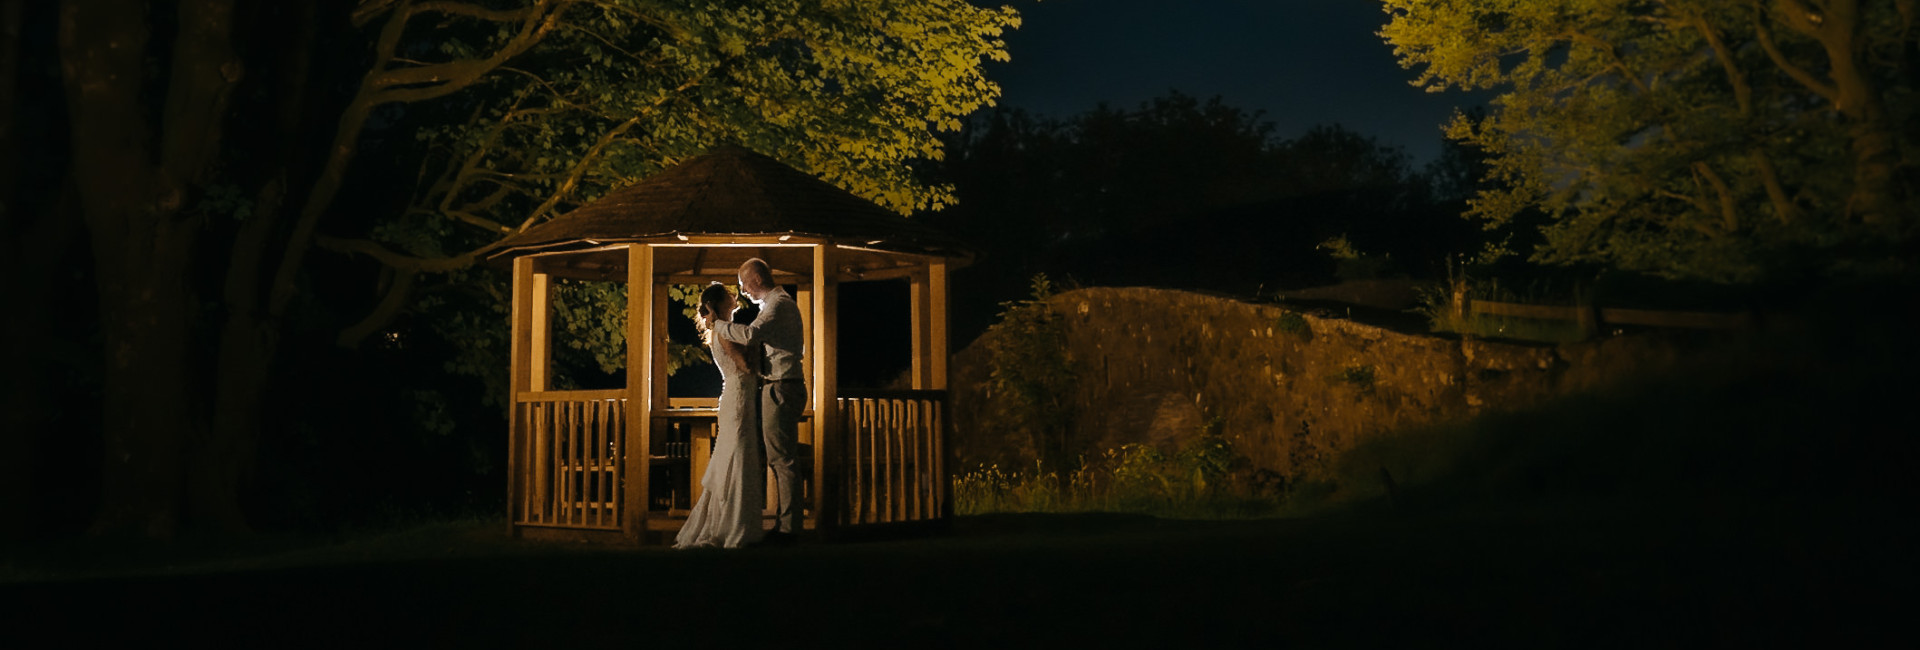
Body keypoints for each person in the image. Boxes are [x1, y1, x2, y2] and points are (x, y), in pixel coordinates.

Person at [709, 258, 807, 545]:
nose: (742, 291)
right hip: (777, 385)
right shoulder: (774, 305)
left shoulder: (779, 305)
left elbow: (751, 335)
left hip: (781, 386)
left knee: (782, 459)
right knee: (779, 458)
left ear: (755, 280)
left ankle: (790, 529)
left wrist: (719, 325)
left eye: (742, 283)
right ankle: (787, 524)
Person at [674, 283, 767, 549]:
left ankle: (736, 521)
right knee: (737, 455)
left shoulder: (724, 329)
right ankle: (733, 525)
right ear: (719, 303)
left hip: (738, 396)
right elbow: (745, 365)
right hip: (738, 396)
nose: (733, 296)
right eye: (728, 295)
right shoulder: (724, 331)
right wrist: (756, 346)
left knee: (738, 453)